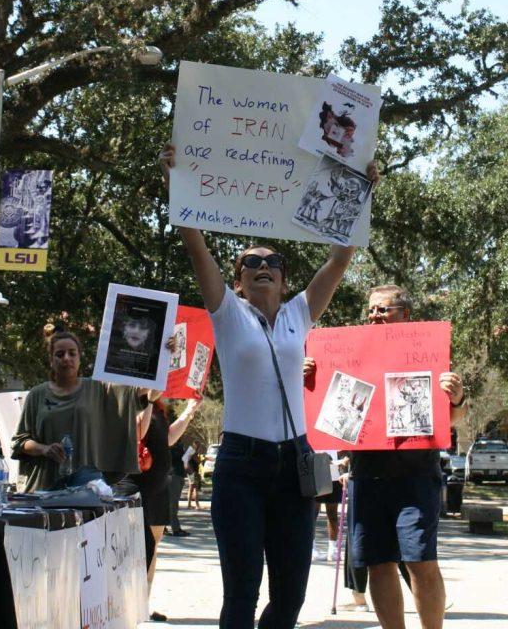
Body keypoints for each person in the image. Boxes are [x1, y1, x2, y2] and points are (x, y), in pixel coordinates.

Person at [160, 143, 378, 629]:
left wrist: (362, 189)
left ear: (284, 282)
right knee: (241, 592)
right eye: (249, 262)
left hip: (294, 467)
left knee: (291, 596)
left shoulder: (301, 313)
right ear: (237, 282)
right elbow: (194, 242)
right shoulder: (228, 313)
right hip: (241, 466)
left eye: (273, 261)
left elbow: (341, 257)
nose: (262, 265)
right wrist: (177, 179)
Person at [304, 284, 466, 629]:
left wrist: (456, 399)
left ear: (405, 314)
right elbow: (330, 415)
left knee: (420, 561)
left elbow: (447, 420)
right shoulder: (353, 356)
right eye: (371, 310)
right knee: (377, 563)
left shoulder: (427, 355)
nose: (374, 316)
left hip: (416, 477)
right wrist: (310, 379)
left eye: (383, 310)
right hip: (367, 476)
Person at [11, 330, 151, 490]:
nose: (66, 358)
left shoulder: (99, 389)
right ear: (51, 360)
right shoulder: (37, 394)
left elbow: (141, 388)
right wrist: (44, 449)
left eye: (72, 353)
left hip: (86, 488)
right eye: (59, 354)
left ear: (79, 358)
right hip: (44, 487)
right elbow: (19, 442)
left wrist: (166, 356)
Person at [132, 397, 199, 622]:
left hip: (160, 484)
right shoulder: (137, 401)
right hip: (138, 484)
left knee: (153, 547)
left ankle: (144, 604)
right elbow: (139, 432)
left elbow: (168, 438)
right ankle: (130, 603)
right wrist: (148, 399)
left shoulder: (160, 408)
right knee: (139, 548)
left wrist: (189, 411)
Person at [167, 428, 191, 537]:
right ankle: (175, 529)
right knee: (173, 504)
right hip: (174, 476)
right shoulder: (172, 445)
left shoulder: (178, 445)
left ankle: (165, 527)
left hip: (178, 475)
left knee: (171, 503)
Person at [186, 444, 203, 508]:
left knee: (191, 488)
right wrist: (204, 459)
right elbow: (198, 461)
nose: (200, 449)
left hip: (190, 472)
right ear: (197, 446)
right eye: (199, 447)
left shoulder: (190, 451)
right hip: (193, 472)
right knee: (195, 488)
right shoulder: (193, 452)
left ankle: (189, 504)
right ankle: (197, 505)